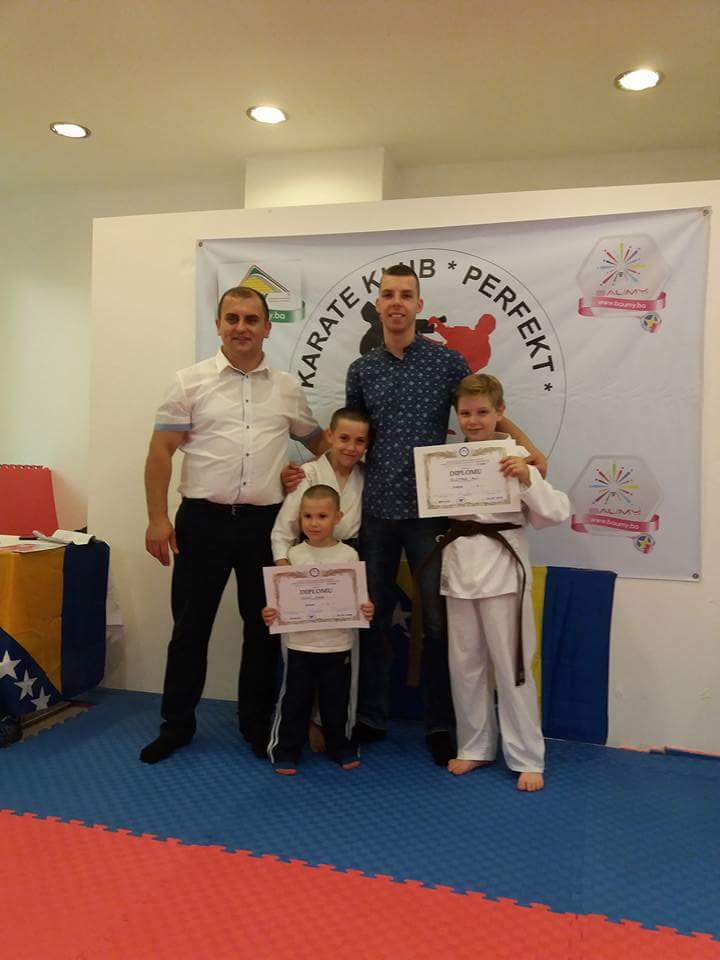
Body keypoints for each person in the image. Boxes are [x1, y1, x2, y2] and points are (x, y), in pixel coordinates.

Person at [344, 264, 547, 765]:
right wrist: (311, 476)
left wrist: (529, 450)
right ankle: (370, 716)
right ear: (378, 304)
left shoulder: (447, 362)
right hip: (376, 511)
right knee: (372, 616)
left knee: (437, 624)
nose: (396, 303)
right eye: (388, 294)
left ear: (419, 305)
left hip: (433, 516)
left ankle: (441, 725)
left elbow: (485, 407)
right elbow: (351, 437)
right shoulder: (361, 370)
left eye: (405, 295)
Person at [140, 285, 326, 765]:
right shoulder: (189, 382)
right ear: (219, 325)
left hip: (264, 526)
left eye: (251, 319)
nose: (241, 327)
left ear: (267, 327)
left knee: (262, 630)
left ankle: (256, 725)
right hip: (201, 522)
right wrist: (157, 518)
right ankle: (176, 727)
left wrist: (306, 475)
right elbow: (160, 452)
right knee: (189, 628)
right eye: (233, 318)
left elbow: (321, 446)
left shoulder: (286, 388)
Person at [441, 374, 569, 791]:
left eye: (482, 412)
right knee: (465, 666)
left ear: (500, 412)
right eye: (466, 413)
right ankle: (475, 746)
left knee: (514, 666)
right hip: (459, 567)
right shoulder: (448, 458)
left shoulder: (516, 457)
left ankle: (527, 756)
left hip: (503, 571)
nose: (474, 420)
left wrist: (527, 479)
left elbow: (556, 513)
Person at [264, 485, 374, 774]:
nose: (314, 523)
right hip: (299, 644)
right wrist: (271, 612)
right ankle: (285, 750)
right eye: (308, 516)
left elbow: (359, 599)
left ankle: (341, 747)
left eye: (322, 516)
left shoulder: (349, 555)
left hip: (337, 644)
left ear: (337, 517)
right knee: (294, 700)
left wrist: (366, 608)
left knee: (337, 701)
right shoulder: (293, 556)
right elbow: (279, 602)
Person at [271, 407, 369, 563]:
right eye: (344, 438)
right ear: (330, 435)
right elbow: (284, 530)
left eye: (360, 441)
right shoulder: (308, 473)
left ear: (367, 444)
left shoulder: (366, 475)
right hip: (308, 555)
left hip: (352, 556)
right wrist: (282, 563)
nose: (351, 447)